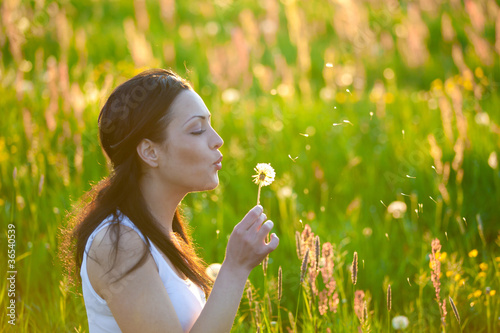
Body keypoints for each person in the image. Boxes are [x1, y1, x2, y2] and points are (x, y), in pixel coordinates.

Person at [60, 68, 279, 333]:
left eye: (210, 124)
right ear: (150, 152)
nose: (217, 140)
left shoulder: (163, 236)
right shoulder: (116, 244)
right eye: (197, 130)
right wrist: (234, 268)